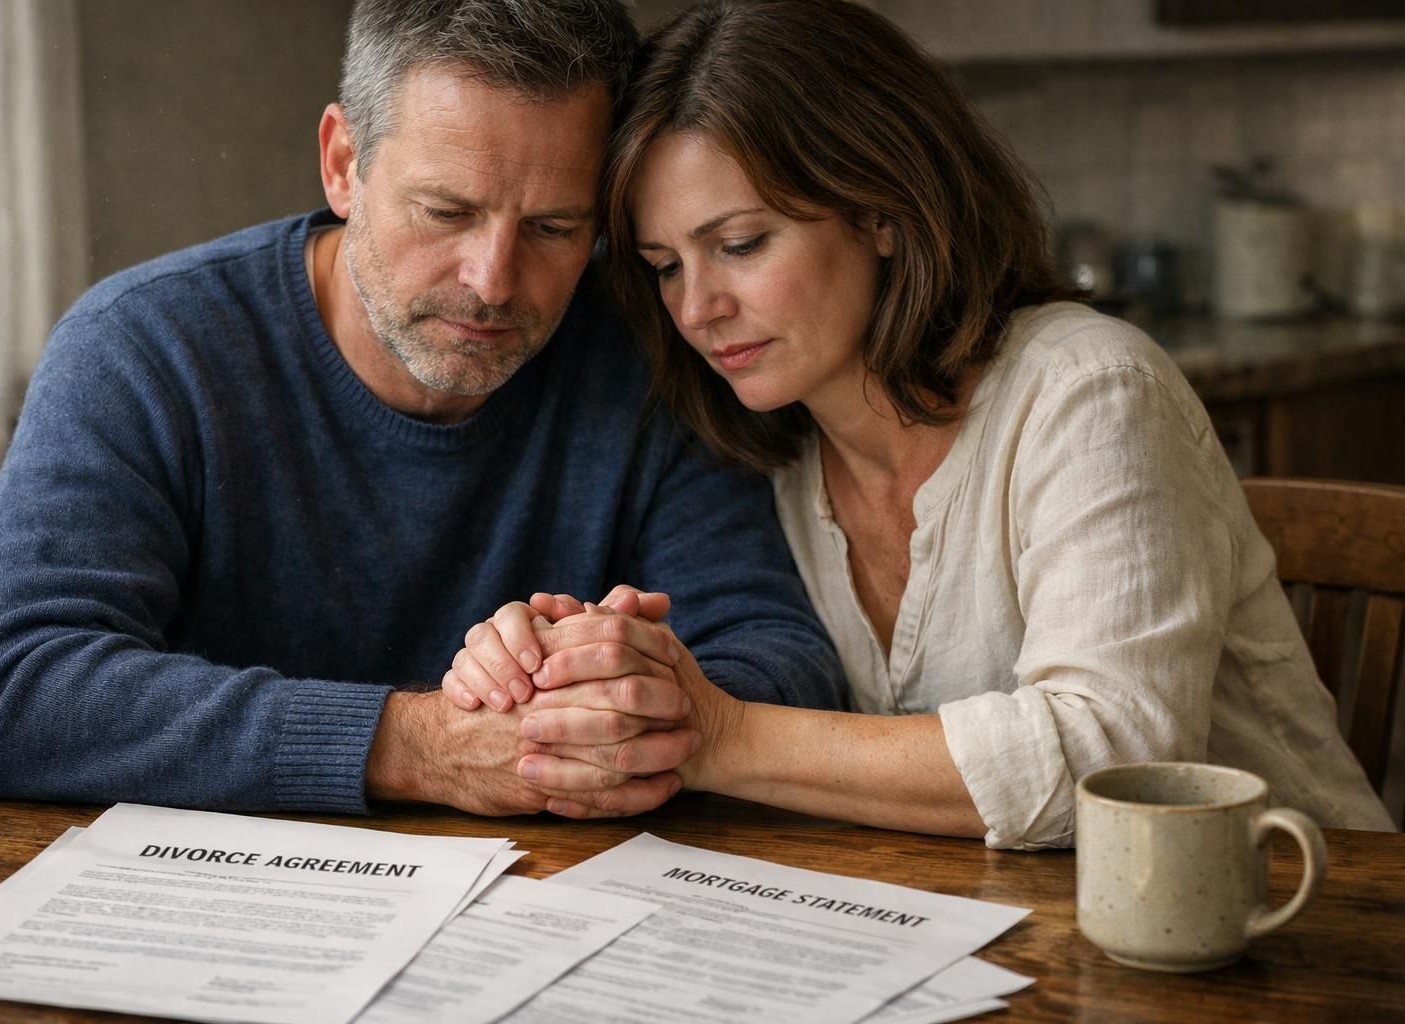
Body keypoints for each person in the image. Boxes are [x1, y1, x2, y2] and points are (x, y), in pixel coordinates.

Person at [448, 0, 1395, 844]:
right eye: (664, 265)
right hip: (1024, 943)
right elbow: (738, 669)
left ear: (882, 210)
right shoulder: (772, 448)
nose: (697, 309)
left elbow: (1110, 763)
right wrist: (572, 664)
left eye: (739, 245)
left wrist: (718, 734)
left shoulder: (1090, 391)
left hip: (1302, 930)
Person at [0, 0, 845, 820]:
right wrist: (425, 747)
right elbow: (3, 695)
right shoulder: (144, 347)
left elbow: (783, 658)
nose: (492, 282)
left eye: (555, 228)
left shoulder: (647, 349)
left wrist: (613, 683)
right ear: (343, 164)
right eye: (446, 211)